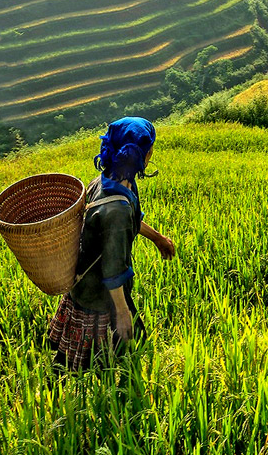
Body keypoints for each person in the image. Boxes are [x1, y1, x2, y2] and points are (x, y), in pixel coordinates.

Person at [47, 116, 176, 368]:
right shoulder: (117, 209)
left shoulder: (109, 181)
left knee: (88, 359)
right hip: (100, 295)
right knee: (98, 362)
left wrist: (158, 238)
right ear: (145, 154)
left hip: (89, 284)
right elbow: (113, 269)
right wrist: (122, 312)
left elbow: (131, 219)